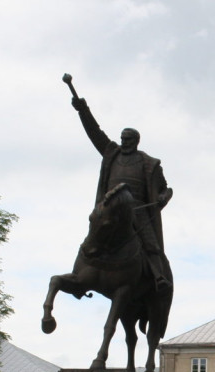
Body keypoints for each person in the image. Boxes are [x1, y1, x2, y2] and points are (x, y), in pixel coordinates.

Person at [70, 86, 173, 291]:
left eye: (129, 140)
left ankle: (159, 277)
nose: (124, 143)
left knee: (151, 244)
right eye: (122, 139)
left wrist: (163, 197)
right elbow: (95, 133)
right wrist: (82, 110)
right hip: (110, 207)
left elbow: (166, 189)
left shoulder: (149, 163)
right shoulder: (112, 154)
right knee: (95, 234)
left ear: (137, 141)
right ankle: (80, 273)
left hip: (137, 209)